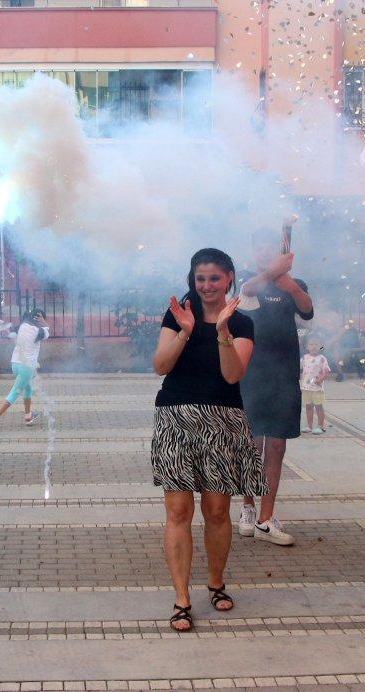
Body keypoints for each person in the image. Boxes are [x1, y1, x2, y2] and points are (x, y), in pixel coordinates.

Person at [151, 248, 265, 632]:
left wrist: (221, 333)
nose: (206, 286)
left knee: (217, 511)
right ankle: (181, 598)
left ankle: (216, 582)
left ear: (229, 277)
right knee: (178, 511)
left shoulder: (242, 323)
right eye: (200, 278)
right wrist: (185, 331)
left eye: (214, 278)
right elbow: (160, 365)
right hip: (175, 416)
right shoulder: (177, 313)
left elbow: (233, 375)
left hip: (222, 419)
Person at [237, 228, 314, 546]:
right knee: (252, 443)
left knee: (277, 446)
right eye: (260, 249)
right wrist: (273, 271)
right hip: (251, 372)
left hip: (284, 374)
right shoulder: (248, 280)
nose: (265, 253)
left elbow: (308, 311)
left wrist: (291, 285)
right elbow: (246, 291)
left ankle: (266, 518)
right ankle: (247, 507)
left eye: (271, 249)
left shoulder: (293, 283)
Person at [0, 309, 49, 431]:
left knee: (27, 388)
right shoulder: (38, 330)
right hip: (26, 367)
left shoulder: (21, 327)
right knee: (14, 392)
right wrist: (43, 322)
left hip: (15, 364)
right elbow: (47, 332)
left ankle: (28, 417)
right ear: (38, 318)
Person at [300, 337, 331, 434]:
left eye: (316, 344)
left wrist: (321, 379)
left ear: (320, 347)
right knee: (308, 407)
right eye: (311, 344)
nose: (314, 346)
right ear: (307, 347)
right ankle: (309, 426)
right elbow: (299, 369)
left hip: (317, 388)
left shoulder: (321, 359)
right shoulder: (304, 358)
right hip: (306, 387)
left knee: (318, 407)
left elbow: (326, 372)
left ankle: (320, 426)